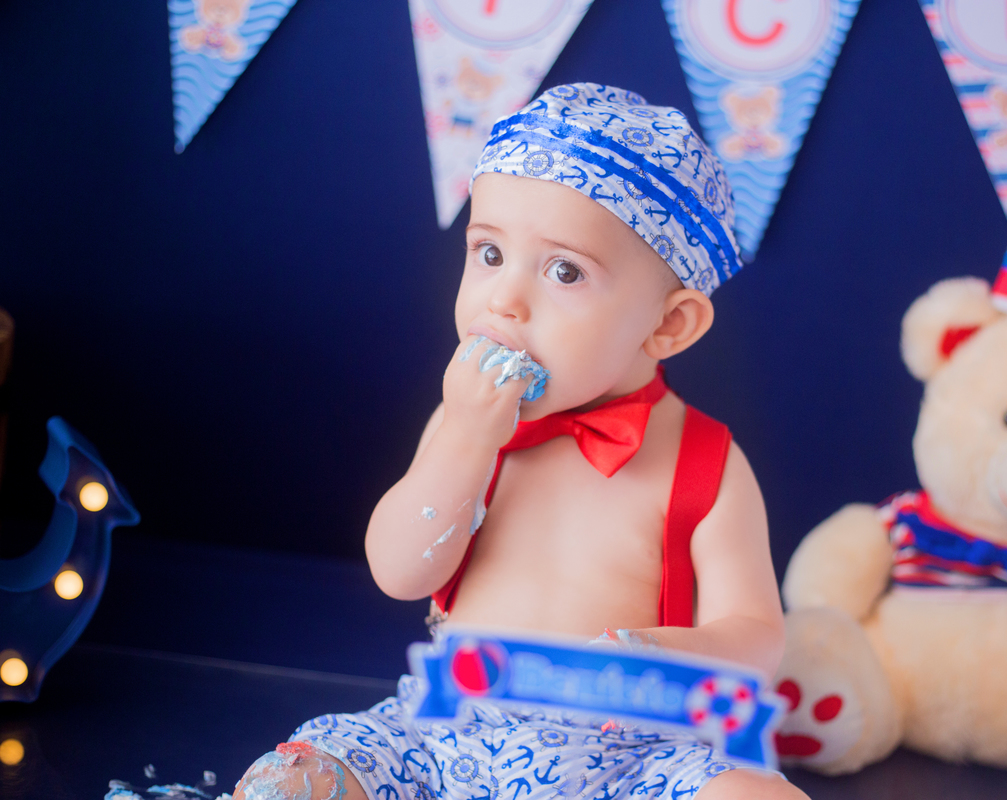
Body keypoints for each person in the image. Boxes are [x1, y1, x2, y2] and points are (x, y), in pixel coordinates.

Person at [230, 83, 807, 800]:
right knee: (288, 782)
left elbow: (755, 636)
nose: (503, 299)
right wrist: (466, 438)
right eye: (489, 252)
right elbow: (400, 572)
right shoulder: (464, 427)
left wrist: (655, 653)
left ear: (669, 325)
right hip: (442, 736)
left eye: (565, 271)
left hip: (634, 759)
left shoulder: (706, 462)